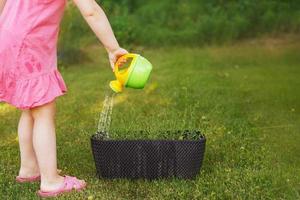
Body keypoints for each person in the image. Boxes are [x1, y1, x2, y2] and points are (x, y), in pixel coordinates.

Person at [0, 0, 128, 197]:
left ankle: (29, 167)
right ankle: (51, 181)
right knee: (43, 111)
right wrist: (113, 48)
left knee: (29, 107)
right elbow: (91, 11)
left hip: (8, 36)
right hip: (29, 45)